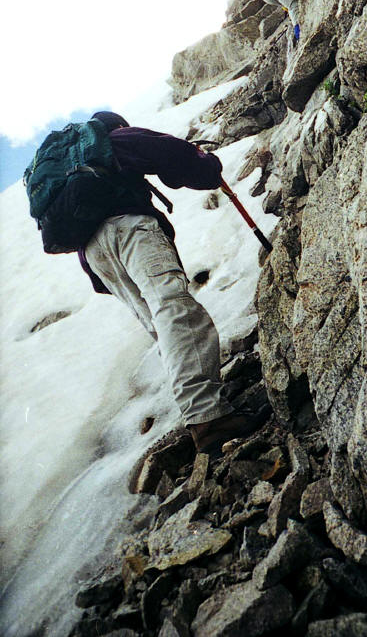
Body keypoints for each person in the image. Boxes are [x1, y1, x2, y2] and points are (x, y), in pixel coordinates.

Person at [77, 111, 265, 455]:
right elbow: (169, 152)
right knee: (175, 310)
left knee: (160, 322)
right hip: (129, 229)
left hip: (94, 254)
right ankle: (209, 418)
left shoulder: (77, 169)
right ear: (115, 126)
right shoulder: (115, 139)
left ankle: (199, 408)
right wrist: (207, 168)